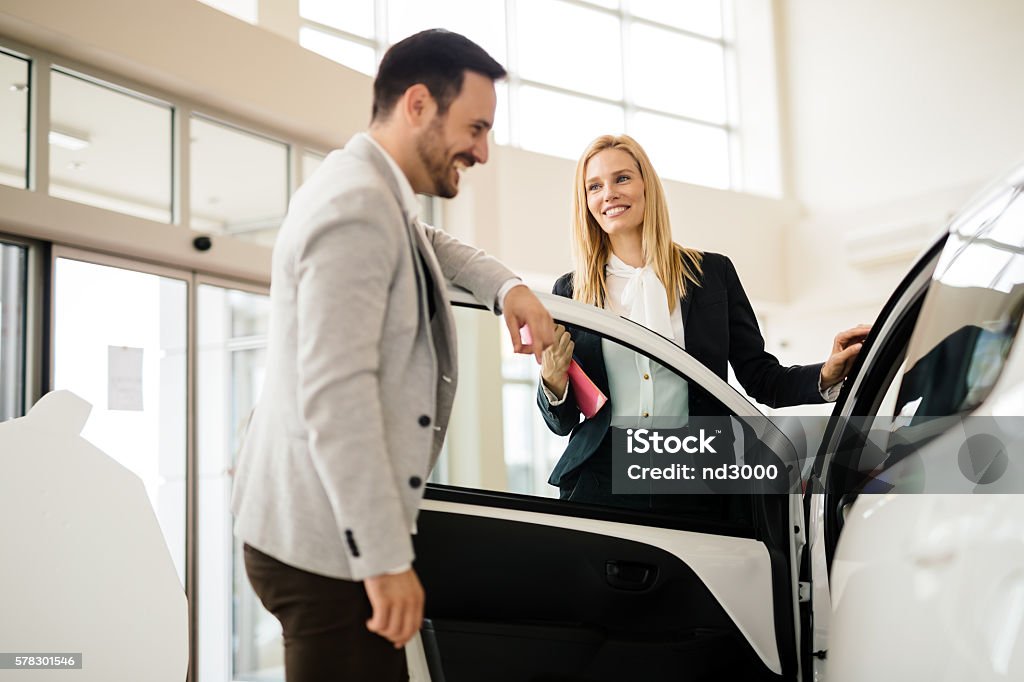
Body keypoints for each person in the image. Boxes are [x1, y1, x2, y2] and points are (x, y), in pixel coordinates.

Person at [231, 29, 555, 681]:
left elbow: (429, 242)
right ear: (416, 104)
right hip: (326, 548)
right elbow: (336, 397)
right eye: (476, 127)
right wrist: (384, 561)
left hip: (319, 529)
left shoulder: (370, 189)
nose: (483, 152)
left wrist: (509, 287)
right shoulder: (355, 207)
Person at [537, 134, 869, 503]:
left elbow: (761, 378)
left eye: (623, 178)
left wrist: (826, 374)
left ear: (647, 185)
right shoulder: (570, 291)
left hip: (696, 477)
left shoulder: (712, 275)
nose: (609, 193)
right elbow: (563, 422)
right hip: (602, 480)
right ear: (585, 203)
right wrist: (552, 380)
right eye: (594, 186)